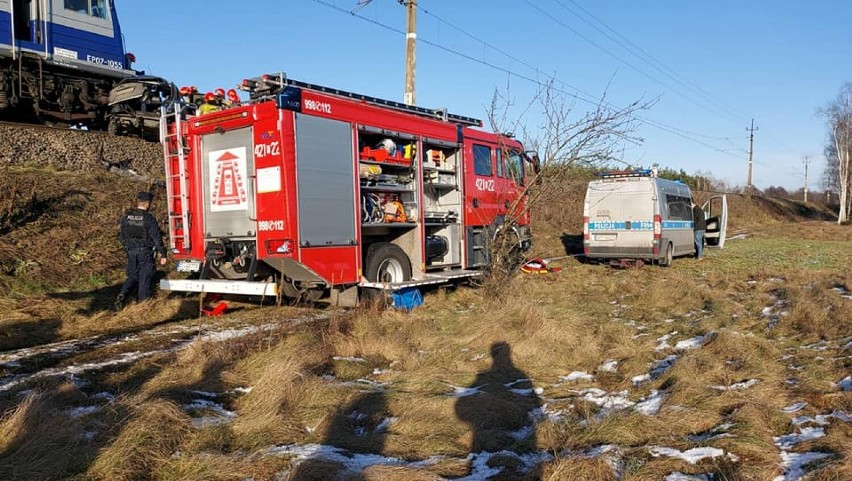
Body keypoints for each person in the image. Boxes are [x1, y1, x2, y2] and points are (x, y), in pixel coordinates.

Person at [115, 192, 167, 310]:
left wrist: (128, 248)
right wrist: (163, 253)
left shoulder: (126, 217)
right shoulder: (148, 218)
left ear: (138, 202)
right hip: (145, 252)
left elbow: (121, 236)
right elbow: (156, 238)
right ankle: (144, 307)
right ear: (148, 204)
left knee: (133, 276)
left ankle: (122, 294)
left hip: (131, 252)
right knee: (145, 278)